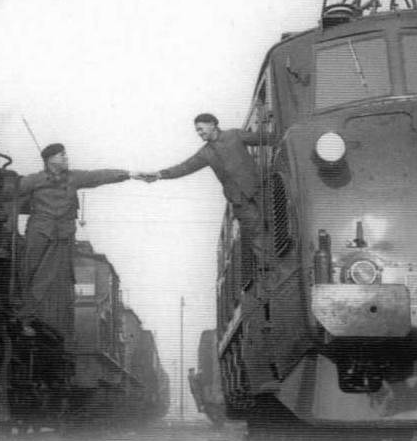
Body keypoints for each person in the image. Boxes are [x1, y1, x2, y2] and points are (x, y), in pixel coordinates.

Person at [15, 143, 133, 342]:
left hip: (63, 237)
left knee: (59, 281)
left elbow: (98, 176)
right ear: (50, 159)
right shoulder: (33, 180)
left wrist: (128, 173)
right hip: (39, 235)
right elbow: (10, 191)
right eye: (62, 155)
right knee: (30, 274)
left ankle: (50, 323)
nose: (66, 157)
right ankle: (24, 319)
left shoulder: (73, 178)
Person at [137, 113, 271, 268]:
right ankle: (268, 270)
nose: (199, 133)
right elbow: (184, 167)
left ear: (212, 124)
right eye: (197, 131)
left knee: (273, 223)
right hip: (240, 201)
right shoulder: (205, 153)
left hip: (258, 188)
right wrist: (159, 175)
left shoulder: (234, 135)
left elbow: (262, 138)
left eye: (200, 129)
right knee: (256, 233)